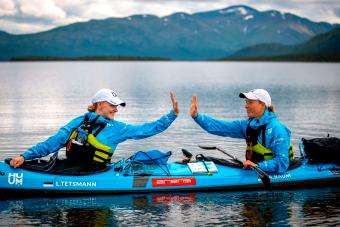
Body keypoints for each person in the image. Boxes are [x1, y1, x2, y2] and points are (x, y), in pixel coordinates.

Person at [10, 88, 179, 171]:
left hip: (98, 174)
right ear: (99, 104)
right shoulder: (79, 121)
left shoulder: (118, 128)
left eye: (117, 105)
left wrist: (172, 115)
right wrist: (25, 156)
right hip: (71, 170)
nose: (116, 109)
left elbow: (147, 129)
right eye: (112, 105)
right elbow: (54, 142)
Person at [189, 89, 294, 174]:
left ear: (262, 104)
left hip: (270, 171)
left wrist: (257, 166)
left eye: (250, 102)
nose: (246, 105)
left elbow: (282, 163)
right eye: (246, 102)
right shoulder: (247, 125)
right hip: (253, 169)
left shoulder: (277, 129)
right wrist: (196, 116)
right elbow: (219, 127)